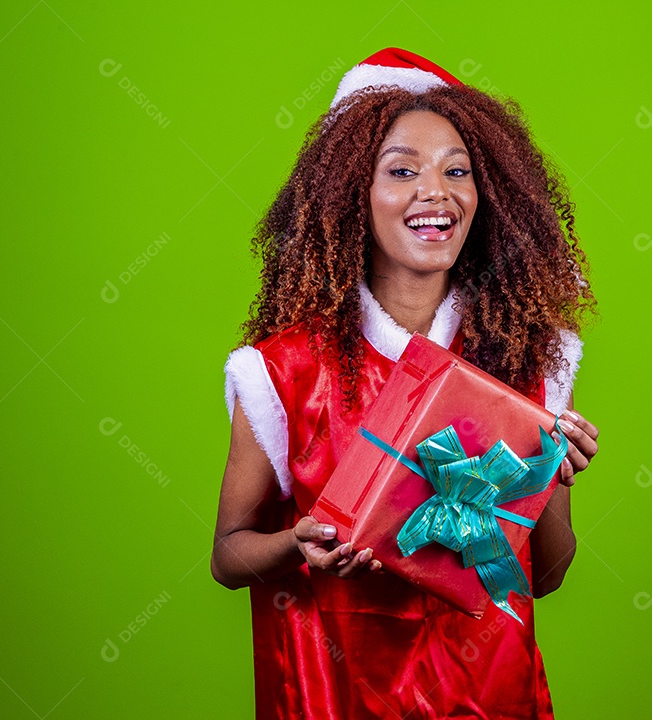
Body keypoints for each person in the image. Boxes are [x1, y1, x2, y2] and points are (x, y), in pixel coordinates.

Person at [211, 48, 600, 719]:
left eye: (458, 171)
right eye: (402, 171)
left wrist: (552, 479)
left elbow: (549, 574)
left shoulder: (532, 361)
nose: (436, 192)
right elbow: (227, 554)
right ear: (350, 197)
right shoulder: (283, 371)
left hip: (491, 700)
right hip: (332, 697)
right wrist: (293, 546)